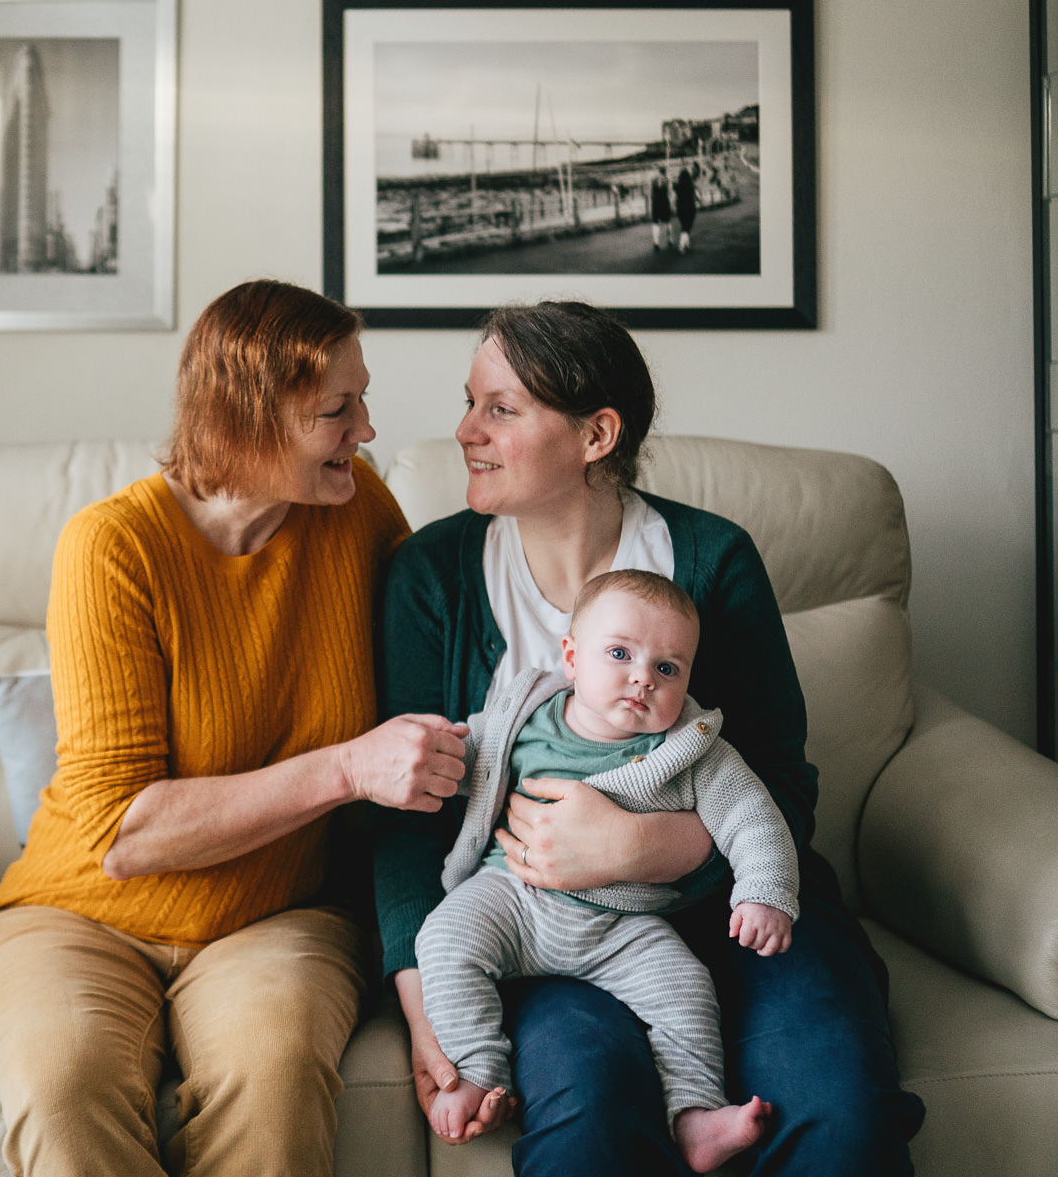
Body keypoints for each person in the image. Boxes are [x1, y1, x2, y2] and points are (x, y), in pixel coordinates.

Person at [373, 299, 925, 1176]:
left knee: (839, 1110)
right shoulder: (431, 577)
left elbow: (779, 780)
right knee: (591, 1114)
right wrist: (420, 997)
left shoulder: (712, 560)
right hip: (541, 924)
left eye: (501, 409)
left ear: (596, 434)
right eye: (470, 402)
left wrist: (648, 845)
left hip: (744, 910)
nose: (465, 432)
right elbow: (406, 816)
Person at [0, 279, 470, 1177]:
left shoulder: (359, 516)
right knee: (67, 1085)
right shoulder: (113, 547)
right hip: (76, 917)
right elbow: (124, 834)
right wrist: (345, 768)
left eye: (364, 400)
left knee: (272, 1084)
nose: (368, 430)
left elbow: (448, 645)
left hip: (281, 916)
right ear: (246, 420)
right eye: (337, 410)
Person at [417, 569, 797, 1174]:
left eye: (668, 669)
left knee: (686, 989)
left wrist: (764, 892)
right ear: (571, 658)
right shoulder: (524, 718)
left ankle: (695, 1116)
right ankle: (476, 1071)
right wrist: (430, 751)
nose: (643, 676)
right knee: (441, 937)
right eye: (620, 653)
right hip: (512, 898)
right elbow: (462, 756)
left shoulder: (694, 752)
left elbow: (754, 820)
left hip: (622, 925)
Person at [674, 166, 700, 254]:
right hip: (690, 207)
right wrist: (699, 200)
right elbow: (697, 195)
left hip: (680, 207)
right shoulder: (691, 184)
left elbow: (674, 192)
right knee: (687, 226)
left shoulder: (677, 186)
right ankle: (681, 245)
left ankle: (687, 243)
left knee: (684, 225)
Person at [649, 170, 673, 252]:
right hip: (664, 202)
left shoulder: (653, 179)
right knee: (668, 221)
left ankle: (656, 242)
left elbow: (651, 194)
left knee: (656, 223)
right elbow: (670, 192)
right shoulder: (666, 180)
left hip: (656, 203)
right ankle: (669, 239)